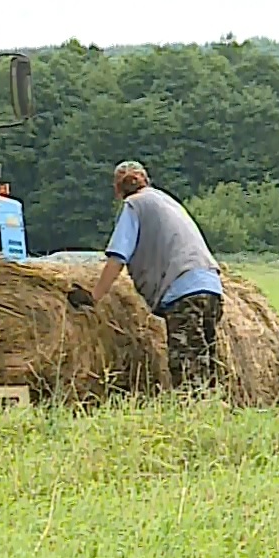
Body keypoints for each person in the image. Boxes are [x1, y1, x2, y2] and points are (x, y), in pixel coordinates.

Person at [67, 161, 224, 390]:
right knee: (205, 365)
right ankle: (211, 415)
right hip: (211, 288)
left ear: (118, 189)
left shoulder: (134, 204)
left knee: (186, 370)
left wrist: (94, 296)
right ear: (146, 180)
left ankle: (193, 420)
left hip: (183, 292)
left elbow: (118, 256)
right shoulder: (167, 201)